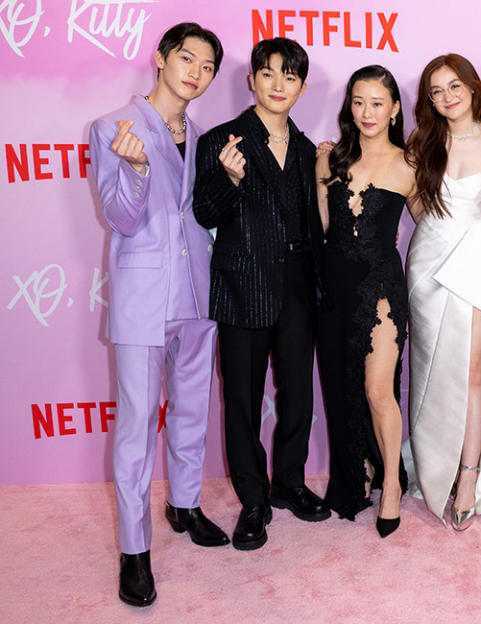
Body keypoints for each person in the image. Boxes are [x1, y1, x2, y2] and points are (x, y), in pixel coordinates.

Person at [89, 22, 228, 607]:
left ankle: (185, 504)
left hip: (198, 296)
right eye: (186, 59)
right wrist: (138, 170)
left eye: (206, 66)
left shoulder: (199, 134)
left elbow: (199, 218)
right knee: (137, 426)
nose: (195, 72)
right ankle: (134, 550)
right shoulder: (111, 127)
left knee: (193, 409)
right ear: (160, 59)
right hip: (144, 300)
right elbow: (120, 220)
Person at [194, 37, 330, 552]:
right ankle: (253, 501)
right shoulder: (220, 140)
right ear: (251, 80)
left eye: (289, 77)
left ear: (301, 85)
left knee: (297, 393)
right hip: (241, 284)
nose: (278, 85)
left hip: (297, 286)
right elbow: (206, 213)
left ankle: (289, 483)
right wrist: (229, 178)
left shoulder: (305, 147)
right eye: (268, 74)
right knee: (242, 400)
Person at [403, 54, 481, 530]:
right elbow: (416, 204)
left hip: (474, 259)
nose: (447, 97)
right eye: (436, 91)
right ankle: (436, 463)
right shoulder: (421, 142)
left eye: (454, 86)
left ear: (472, 87)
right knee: (430, 367)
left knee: (473, 368)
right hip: (428, 265)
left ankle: (469, 478)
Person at [316, 65, 417, 538]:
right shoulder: (330, 159)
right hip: (334, 288)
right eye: (359, 102)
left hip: (380, 287)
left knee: (379, 392)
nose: (367, 112)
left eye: (378, 102)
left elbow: (434, 223)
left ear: (396, 109)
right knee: (342, 390)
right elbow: (322, 231)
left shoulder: (411, 163)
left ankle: (393, 484)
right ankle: (358, 474)